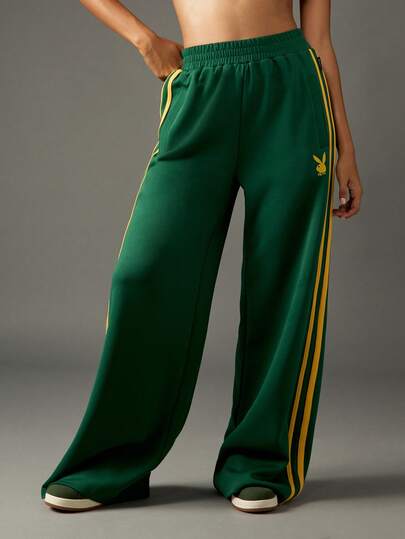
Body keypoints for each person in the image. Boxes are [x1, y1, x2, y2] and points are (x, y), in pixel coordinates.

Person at [40, 0, 363, 514]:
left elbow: (319, 39)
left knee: (285, 280)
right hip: (201, 86)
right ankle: (113, 461)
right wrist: (145, 39)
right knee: (142, 272)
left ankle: (260, 462)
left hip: (290, 90)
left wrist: (345, 146)